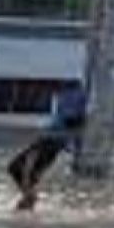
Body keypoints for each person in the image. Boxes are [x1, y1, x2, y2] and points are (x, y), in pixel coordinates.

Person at [7, 83, 87, 211]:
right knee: (24, 170)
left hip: (51, 141)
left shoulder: (74, 109)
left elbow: (74, 123)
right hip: (52, 140)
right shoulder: (74, 109)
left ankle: (29, 196)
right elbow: (74, 125)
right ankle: (29, 195)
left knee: (18, 168)